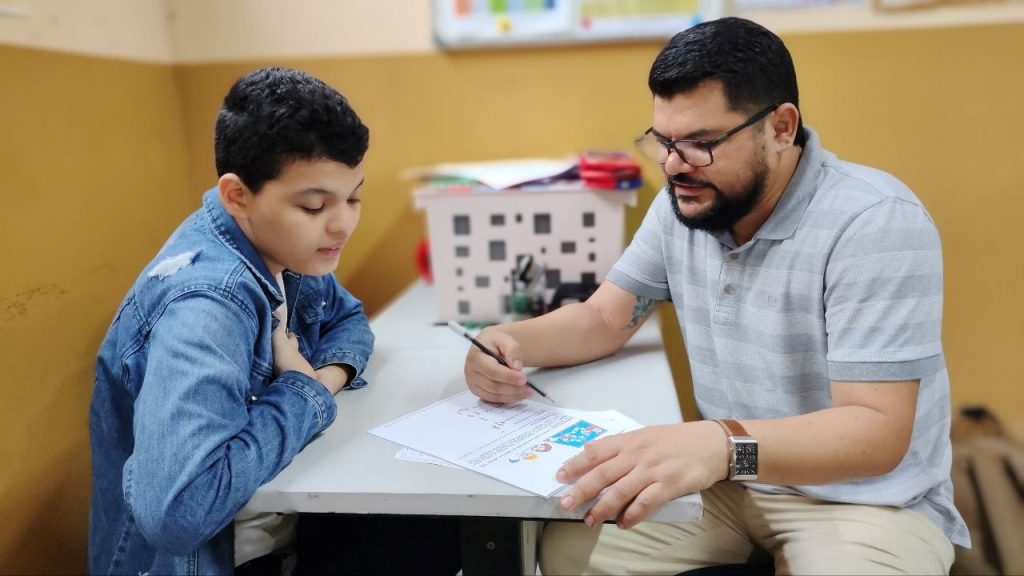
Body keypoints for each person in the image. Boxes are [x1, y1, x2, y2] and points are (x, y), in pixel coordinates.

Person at [461, 17, 969, 575]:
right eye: (664, 141)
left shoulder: (875, 223)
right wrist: (507, 340)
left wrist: (720, 446)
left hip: (865, 501)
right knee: (566, 554)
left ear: (780, 126)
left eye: (701, 144)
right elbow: (607, 317)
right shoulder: (687, 202)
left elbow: (876, 433)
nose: (675, 165)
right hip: (727, 481)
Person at [89, 67, 374, 575]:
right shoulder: (206, 307)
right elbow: (177, 515)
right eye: (314, 205)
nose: (343, 223)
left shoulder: (282, 243)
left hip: (273, 521)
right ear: (237, 196)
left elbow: (349, 320)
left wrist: (319, 379)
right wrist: (302, 394)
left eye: (353, 197)